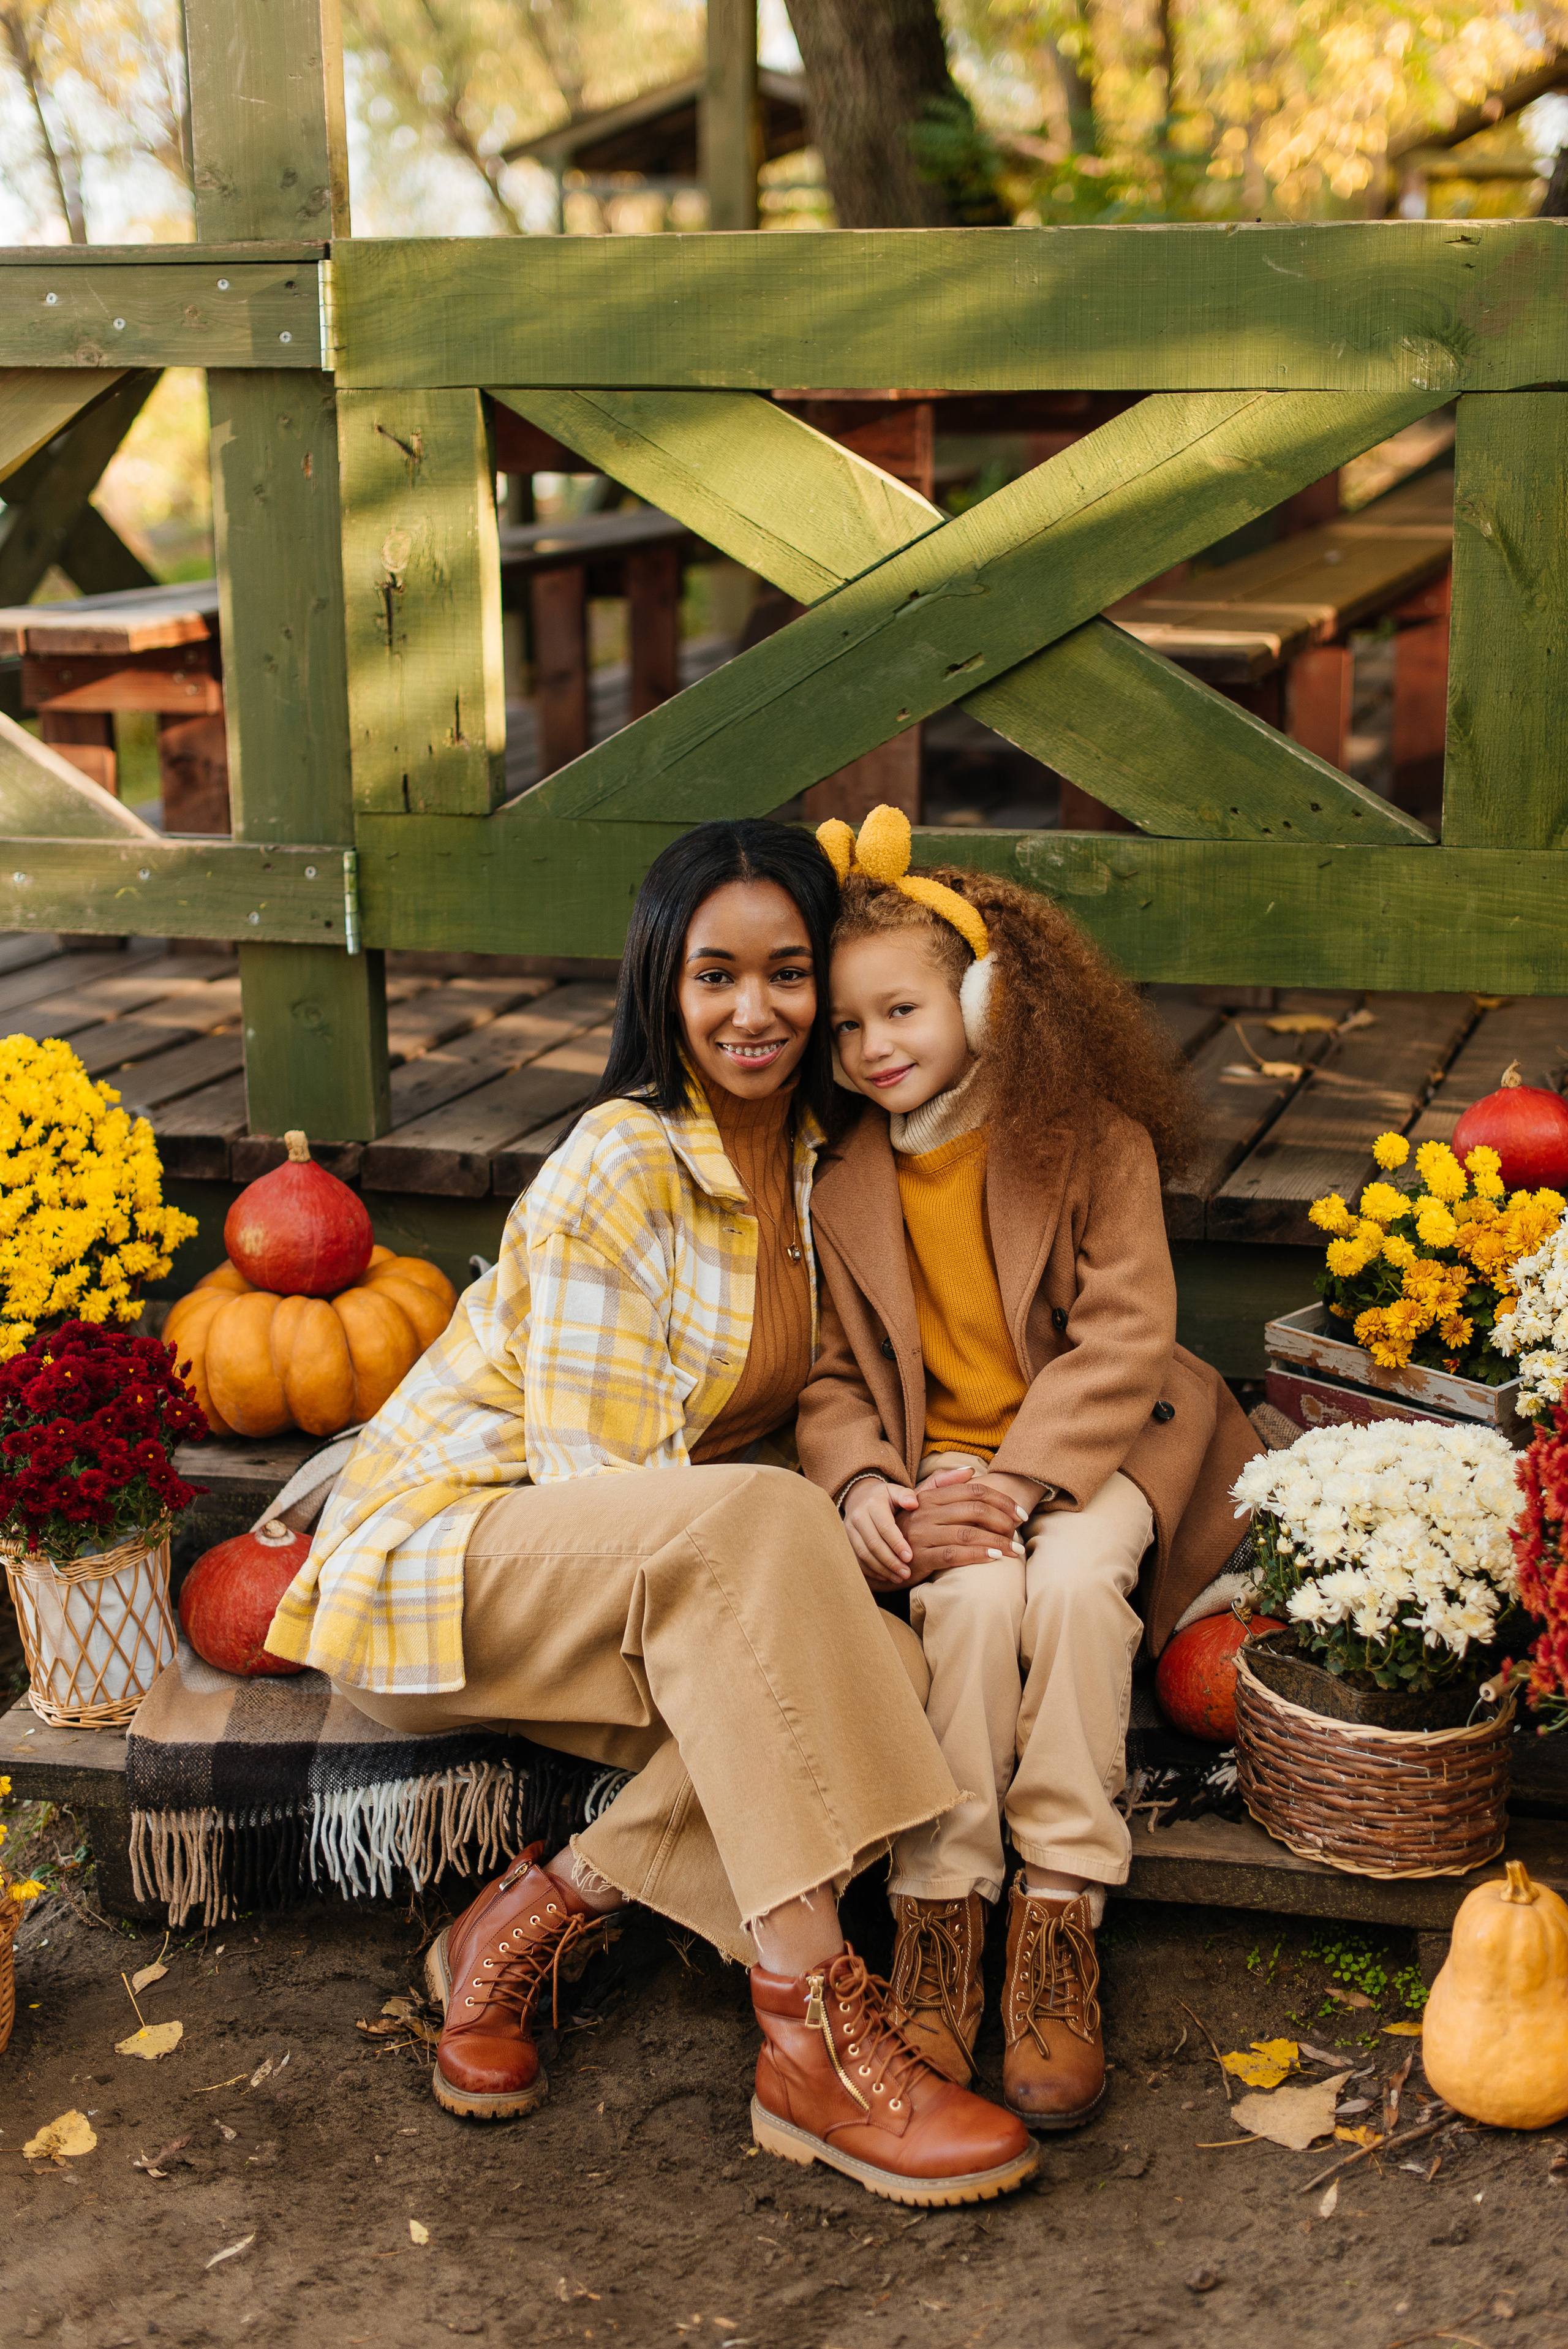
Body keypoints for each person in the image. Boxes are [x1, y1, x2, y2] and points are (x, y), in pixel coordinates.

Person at [266, 817, 1038, 2207]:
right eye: (714, 976)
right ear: (659, 989)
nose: (755, 1010)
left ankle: (542, 1910)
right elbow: (604, 1493)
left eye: (789, 973)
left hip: (676, 1572)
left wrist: (875, 1502)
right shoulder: (617, 1163)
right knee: (783, 1597)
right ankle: (814, 2041)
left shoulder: (824, 1168)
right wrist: (797, 1564)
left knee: (895, 1674)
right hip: (463, 1555)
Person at [796, 805, 1261, 2132]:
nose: (872, 1047)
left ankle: (1057, 1905)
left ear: (987, 1000)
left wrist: (1018, 1483)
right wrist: (861, 1489)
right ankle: (939, 1908)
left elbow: (1124, 1337)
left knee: (1062, 1591)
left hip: (1092, 1448)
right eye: (846, 1027)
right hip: (939, 1462)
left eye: (900, 1012)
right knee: (972, 1602)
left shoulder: (1083, 1140)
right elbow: (832, 1372)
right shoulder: (844, 1178)